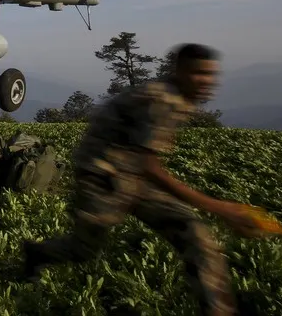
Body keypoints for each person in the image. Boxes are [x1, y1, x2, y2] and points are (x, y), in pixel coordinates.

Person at [21, 43, 265, 316]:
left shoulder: (180, 98)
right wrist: (220, 208)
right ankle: (38, 253)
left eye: (210, 74)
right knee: (83, 250)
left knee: (196, 235)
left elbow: (143, 162)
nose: (206, 82)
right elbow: (150, 167)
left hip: (133, 175)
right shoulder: (161, 99)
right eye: (199, 73)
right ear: (180, 71)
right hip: (101, 175)